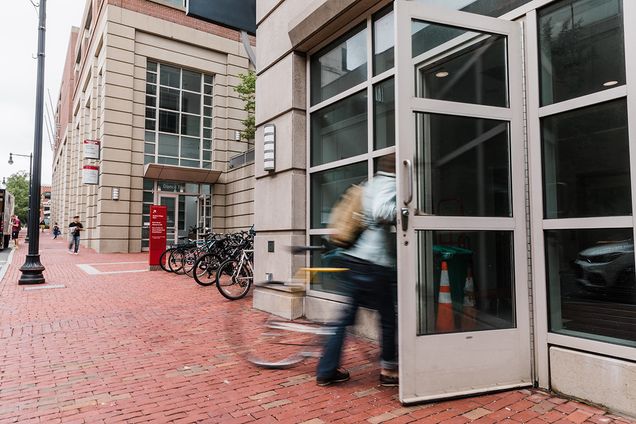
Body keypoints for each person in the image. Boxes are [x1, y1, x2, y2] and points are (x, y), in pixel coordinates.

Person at [316, 154, 398, 387]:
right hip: (374, 263)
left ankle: (327, 369)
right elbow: (382, 210)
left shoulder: (371, 183)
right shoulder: (390, 183)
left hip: (354, 258)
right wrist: (404, 212)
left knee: (344, 318)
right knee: (388, 318)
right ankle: (389, 370)